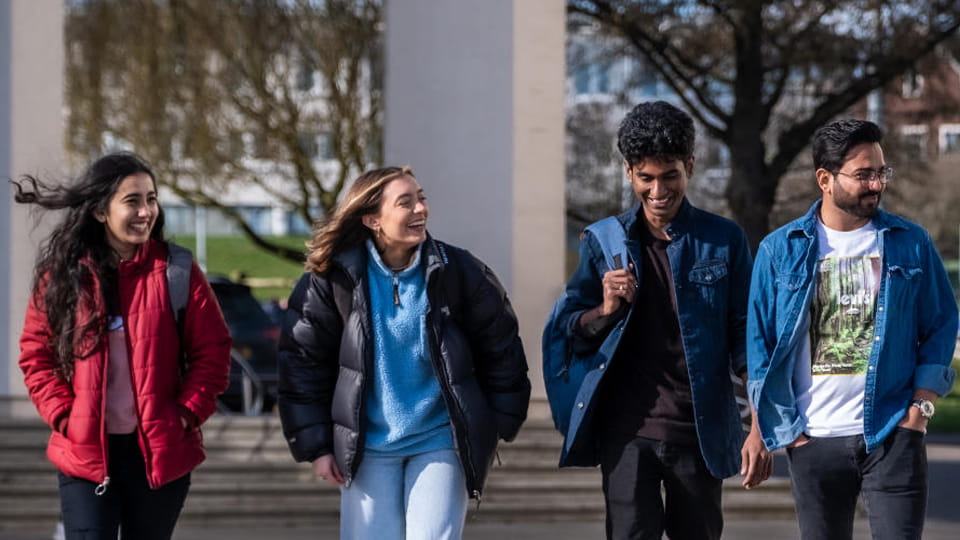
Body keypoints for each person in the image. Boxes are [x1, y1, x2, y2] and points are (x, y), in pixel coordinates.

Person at [547, 101, 770, 540]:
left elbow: (748, 338)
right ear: (629, 172)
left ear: (689, 165)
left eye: (670, 176)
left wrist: (760, 429)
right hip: (627, 433)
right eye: (646, 178)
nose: (658, 191)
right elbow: (571, 331)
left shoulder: (723, 240)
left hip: (698, 431)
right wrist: (606, 309)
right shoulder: (603, 242)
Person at [277, 165, 531, 539]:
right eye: (405, 203)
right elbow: (302, 363)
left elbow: (501, 347)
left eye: (421, 198)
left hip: (439, 440)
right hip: (368, 447)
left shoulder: (459, 271)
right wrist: (316, 446)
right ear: (372, 220)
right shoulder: (332, 279)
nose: (420, 210)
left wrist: (498, 421)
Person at [747, 119, 958, 540]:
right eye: (863, 174)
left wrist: (920, 409)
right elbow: (760, 345)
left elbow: (941, 324)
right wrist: (778, 431)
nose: (876, 184)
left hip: (892, 433)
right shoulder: (779, 250)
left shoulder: (910, 242)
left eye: (881, 172)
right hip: (813, 441)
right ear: (825, 179)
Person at [14, 152, 232, 540]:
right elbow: (36, 354)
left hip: (158, 452)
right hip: (85, 451)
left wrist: (184, 414)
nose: (146, 211)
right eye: (132, 201)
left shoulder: (177, 271)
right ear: (100, 211)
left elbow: (213, 353)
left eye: (151, 199)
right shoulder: (63, 275)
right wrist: (66, 416)